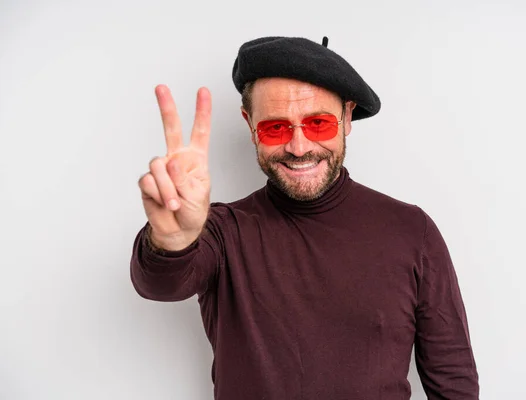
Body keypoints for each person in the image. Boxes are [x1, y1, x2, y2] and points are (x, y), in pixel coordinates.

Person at [130, 36, 479, 400]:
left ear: (347, 117)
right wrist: (172, 239)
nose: (299, 148)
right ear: (250, 124)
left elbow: (454, 382)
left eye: (318, 124)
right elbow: (159, 285)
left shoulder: (412, 231)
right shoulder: (221, 231)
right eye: (275, 128)